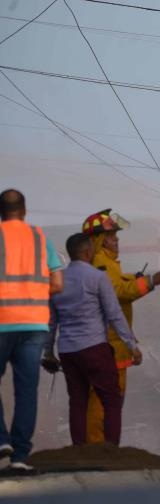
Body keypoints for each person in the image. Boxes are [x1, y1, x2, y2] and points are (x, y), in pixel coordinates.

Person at [81, 209, 160, 443]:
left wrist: (137, 279)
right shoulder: (101, 262)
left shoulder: (106, 264)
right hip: (109, 343)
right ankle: (97, 445)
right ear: (99, 239)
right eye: (112, 236)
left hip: (111, 342)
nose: (117, 240)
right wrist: (152, 281)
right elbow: (118, 292)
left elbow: (120, 283)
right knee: (105, 398)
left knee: (108, 397)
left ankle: (101, 444)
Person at [43, 233, 140, 446]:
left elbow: (51, 323)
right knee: (111, 399)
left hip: (68, 351)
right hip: (95, 347)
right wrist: (131, 345)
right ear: (89, 252)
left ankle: (79, 448)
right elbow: (114, 313)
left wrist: (48, 352)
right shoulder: (97, 277)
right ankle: (110, 448)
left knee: (77, 401)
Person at [0, 189, 63, 471]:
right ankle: (20, 457)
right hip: (35, 323)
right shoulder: (40, 239)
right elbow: (57, 284)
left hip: (2, 321)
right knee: (27, 390)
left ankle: (1, 440)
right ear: (24, 212)